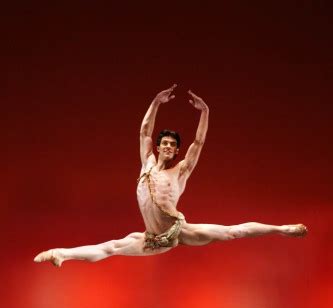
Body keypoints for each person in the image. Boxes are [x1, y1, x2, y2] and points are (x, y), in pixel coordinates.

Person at [34, 84, 307, 267]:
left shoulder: (180, 171)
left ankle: (282, 229)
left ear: (176, 150)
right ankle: (61, 254)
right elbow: (143, 132)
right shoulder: (147, 164)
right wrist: (155, 103)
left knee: (231, 232)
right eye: (164, 142)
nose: (167, 146)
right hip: (152, 237)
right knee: (111, 247)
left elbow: (198, 144)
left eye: (172, 145)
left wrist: (205, 112)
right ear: (158, 147)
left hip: (177, 231)